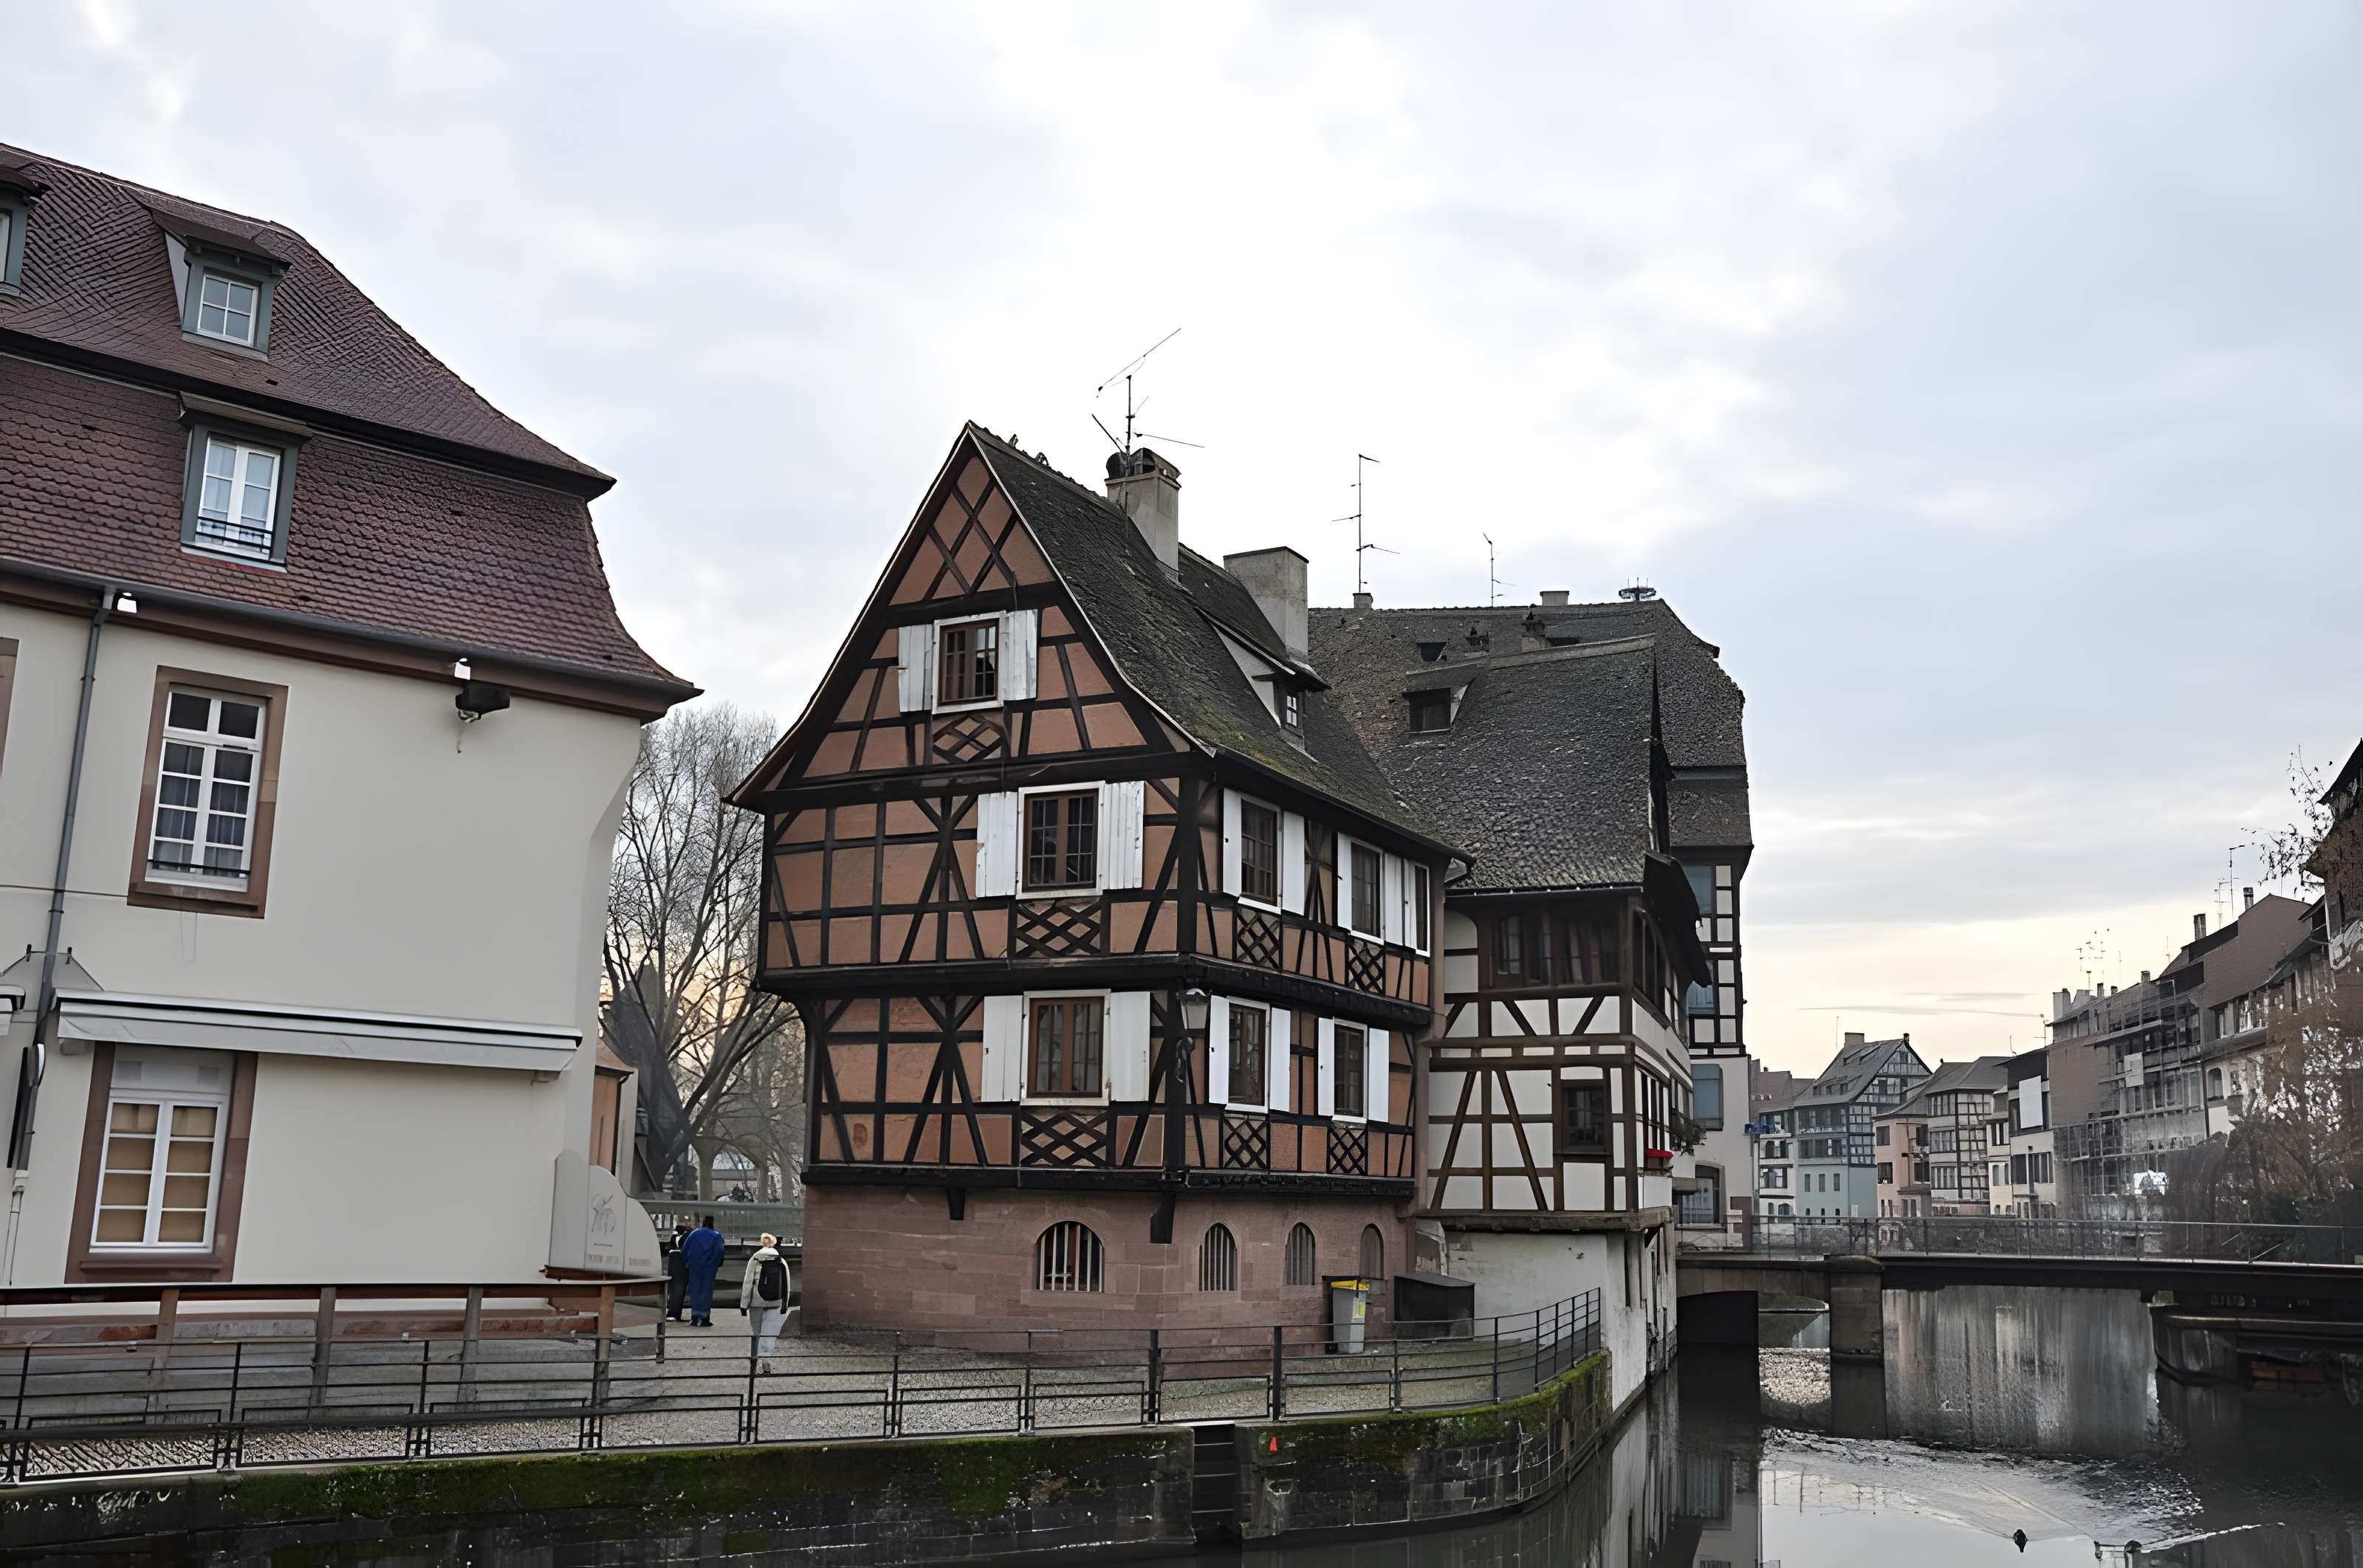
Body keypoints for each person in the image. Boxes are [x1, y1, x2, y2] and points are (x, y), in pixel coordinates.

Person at [739, 1231, 792, 1372]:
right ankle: (766, 1360)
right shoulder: (781, 1261)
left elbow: (748, 1283)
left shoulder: (755, 1259)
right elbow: (787, 1284)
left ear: (762, 1243)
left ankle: (755, 1360)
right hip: (775, 1302)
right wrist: (785, 1305)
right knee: (769, 1332)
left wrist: (744, 1305)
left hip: (756, 1301)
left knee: (756, 1332)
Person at [680, 1215, 725, 1328]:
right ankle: (705, 1318)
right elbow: (720, 1251)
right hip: (710, 1268)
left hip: (695, 1266)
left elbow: (685, 1249)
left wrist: (688, 1262)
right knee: (706, 1291)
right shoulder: (716, 1236)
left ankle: (695, 1317)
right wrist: (717, 1263)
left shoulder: (694, 1234)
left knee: (695, 1291)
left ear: (703, 1223)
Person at [664, 1221, 692, 1322]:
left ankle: (672, 1312)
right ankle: (675, 1313)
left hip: (674, 1260)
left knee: (674, 1289)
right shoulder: (688, 1235)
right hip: (681, 1262)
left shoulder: (673, 1236)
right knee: (679, 1288)